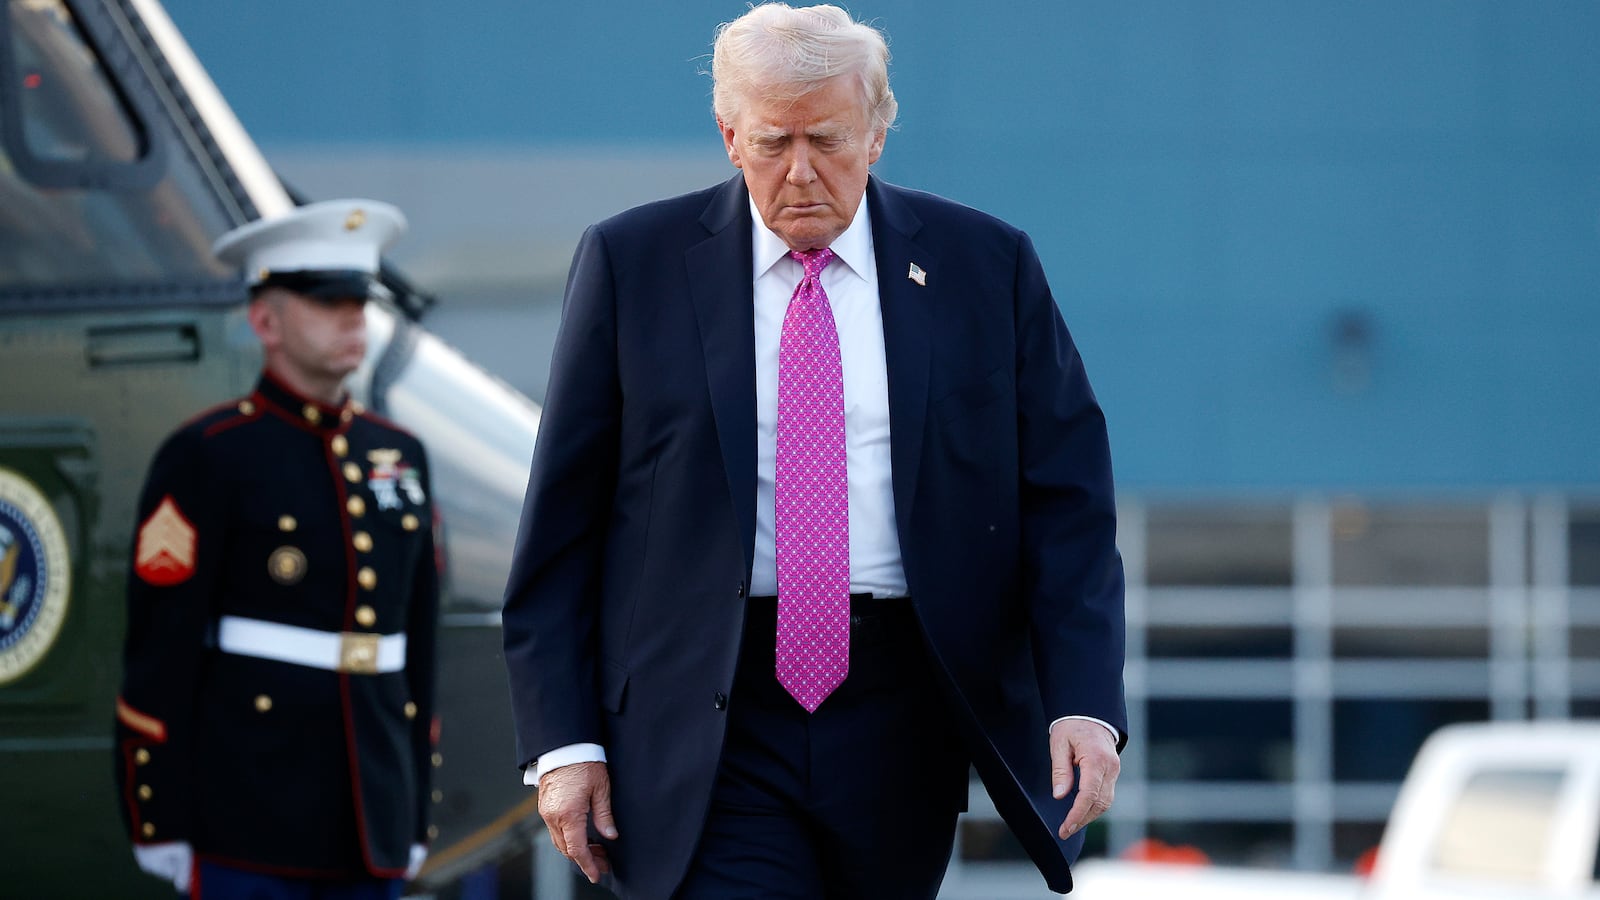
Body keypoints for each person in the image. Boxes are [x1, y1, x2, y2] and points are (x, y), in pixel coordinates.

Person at [501, 4, 1127, 898]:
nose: (800, 173)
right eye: (771, 142)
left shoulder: (984, 266)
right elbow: (562, 527)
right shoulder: (632, 264)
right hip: (707, 712)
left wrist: (1085, 699)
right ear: (728, 136)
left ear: (878, 133)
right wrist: (563, 744)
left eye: (828, 140)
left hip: (904, 706)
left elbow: (1066, 503)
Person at [114, 200, 440, 898]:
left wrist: (412, 809)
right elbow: (159, 655)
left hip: (370, 819)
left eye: (359, 301)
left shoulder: (399, 455)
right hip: (248, 819)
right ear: (265, 321)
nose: (353, 318)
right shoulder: (209, 455)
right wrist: (158, 819)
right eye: (328, 302)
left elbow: (418, 650)